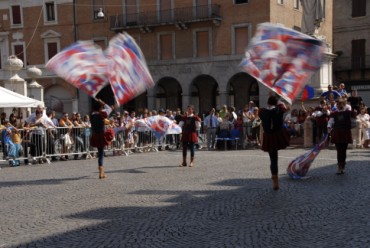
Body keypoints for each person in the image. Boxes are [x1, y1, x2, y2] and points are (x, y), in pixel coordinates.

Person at [259, 95, 289, 190]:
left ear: (268, 103)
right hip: (277, 135)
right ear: (276, 103)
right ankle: (275, 180)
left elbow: (263, 114)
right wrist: (278, 101)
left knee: (273, 159)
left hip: (269, 136)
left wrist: (272, 101)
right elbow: (284, 107)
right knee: (275, 158)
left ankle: (275, 180)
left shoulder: (262, 111)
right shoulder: (279, 110)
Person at [327, 98, 356, 175]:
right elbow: (330, 122)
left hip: (345, 133)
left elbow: (354, 123)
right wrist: (329, 128)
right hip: (337, 133)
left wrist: (347, 127)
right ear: (337, 105)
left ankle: (343, 166)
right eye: (338, 104)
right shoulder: (334, 113)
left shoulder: (349, 113)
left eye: (341, 104)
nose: (339, 105)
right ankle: (339, 167)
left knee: (344, 151)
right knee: (339, 151)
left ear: (344, 104)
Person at [90, 99, 113, 179]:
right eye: (102, 107)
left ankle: (101, 171)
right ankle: (101, 172)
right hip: (101, 135)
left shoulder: (92, 115)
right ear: (100, 108)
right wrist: (103, 102)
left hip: (95, 135)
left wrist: (101, 104)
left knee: (100, 153)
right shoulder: (102, 114)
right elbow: (109, 109)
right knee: (101, 154)